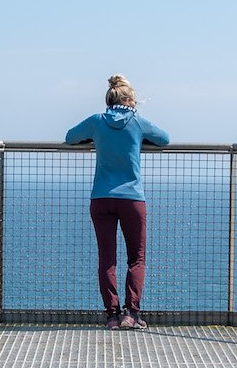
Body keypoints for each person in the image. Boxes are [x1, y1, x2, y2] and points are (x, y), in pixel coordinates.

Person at [64, 75, 170, 330]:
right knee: (136, 258)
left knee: (107, 259)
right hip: (132, 198)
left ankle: (111, 315)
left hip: (101, 197)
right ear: (129, 98)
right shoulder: (137, 122)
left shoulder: (96, 122)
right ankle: (131, 314)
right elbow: (164, 139)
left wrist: (94, 139)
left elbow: (70, 137)